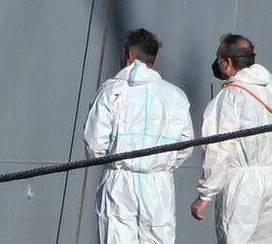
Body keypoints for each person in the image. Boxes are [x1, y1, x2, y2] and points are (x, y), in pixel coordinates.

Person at [84, 28, 194, 244]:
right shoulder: (175, 95)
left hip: (119, 180)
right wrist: (162, 165)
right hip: (158, 183)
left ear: (128, 55)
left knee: (116, 237)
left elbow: (94, 145)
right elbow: (186, 146)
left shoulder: (111, 92)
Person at [191, 34, 272, 243]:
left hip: (242, 185)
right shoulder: (268, 91)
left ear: (227, 62)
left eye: (218, 57)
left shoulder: (230, 97)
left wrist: (205, 196)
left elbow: (219, 149)